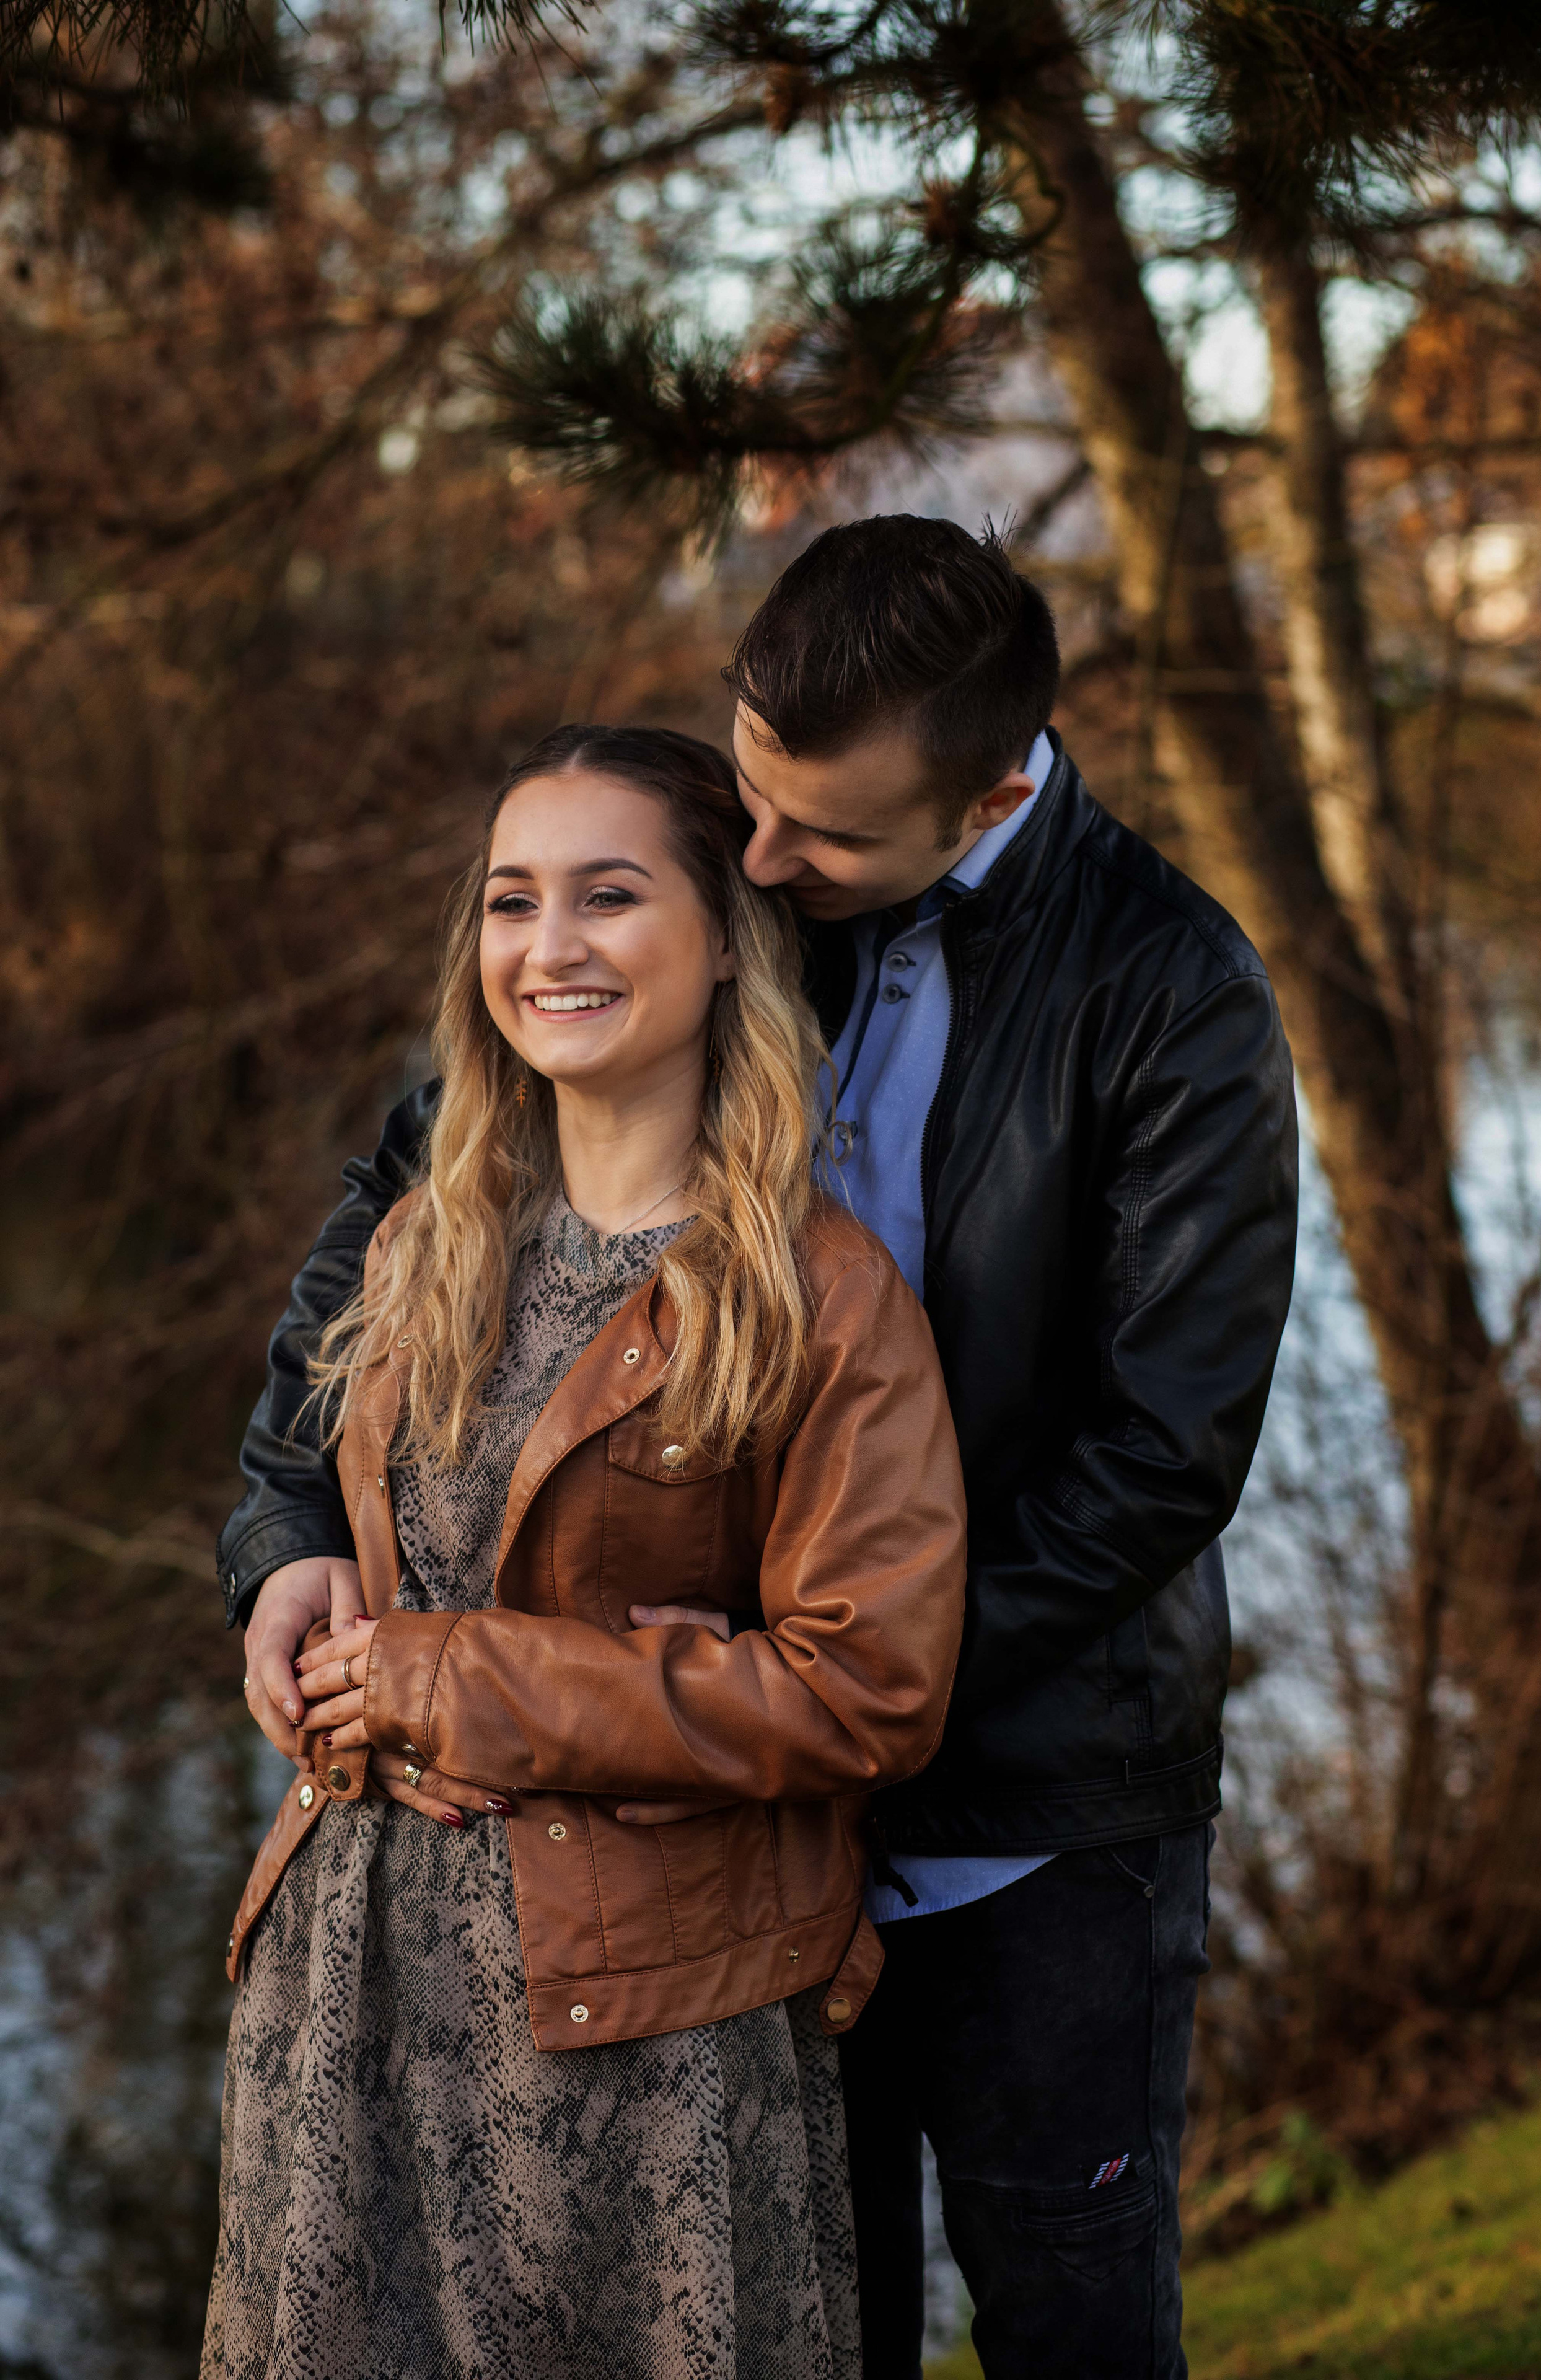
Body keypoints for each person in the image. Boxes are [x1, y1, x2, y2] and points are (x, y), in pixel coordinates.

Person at [221, 516, 1299, 2379]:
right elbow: (405, 1225)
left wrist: (817, 1678)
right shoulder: (700, 901)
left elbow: (1161, 1452)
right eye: (746, 800)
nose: (769, 860)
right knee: (808, 2299)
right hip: (684, 1839)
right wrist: (286, 1537)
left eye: (819, 838)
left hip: (1026, 1804)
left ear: (986, 801)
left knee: (1066, 2295)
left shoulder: (1171, 994)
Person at [203, 724, 967, 2380]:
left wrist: (464, 1676)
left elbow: (869, 1691)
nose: (548, 947)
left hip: (644, 2032)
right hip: (358, 1987)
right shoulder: (422, 1236)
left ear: (722, 940)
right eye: (510, 903)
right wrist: (301, 1594)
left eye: (608, 898)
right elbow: (337, 1524)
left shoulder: (820, 1299)